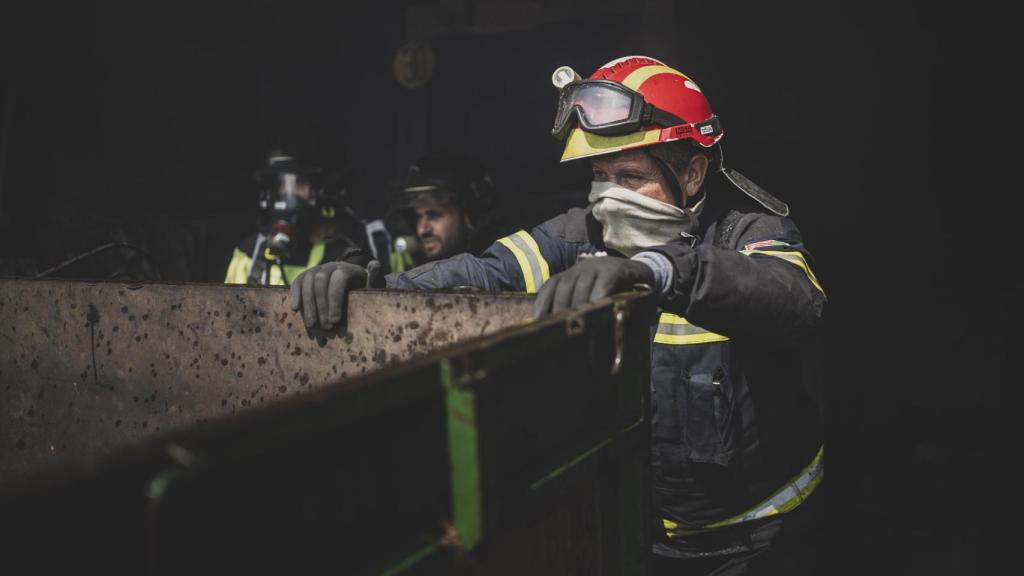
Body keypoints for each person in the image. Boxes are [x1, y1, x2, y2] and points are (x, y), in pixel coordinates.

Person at [289, 56, 825, 574]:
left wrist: (659, 269)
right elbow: (484, 272)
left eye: (630, 175)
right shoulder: (581, 235)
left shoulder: (749, 233)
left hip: (757, 542)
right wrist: (378, 286)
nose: (610, 196)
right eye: (599, 174)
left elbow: (793, 299)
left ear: (691, 173)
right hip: (639, 539)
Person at [224, 150, 388, 285]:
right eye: (279, 185)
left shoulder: (346, 255)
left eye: (299, 184)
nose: (286, 194)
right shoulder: (249, 254)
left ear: (318, 191)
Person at [386, 154, 498, 273]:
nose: (422, 230)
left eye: (434, 215)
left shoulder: (496, 268)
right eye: (418, 216)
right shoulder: (406, 267)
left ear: (469, 216)